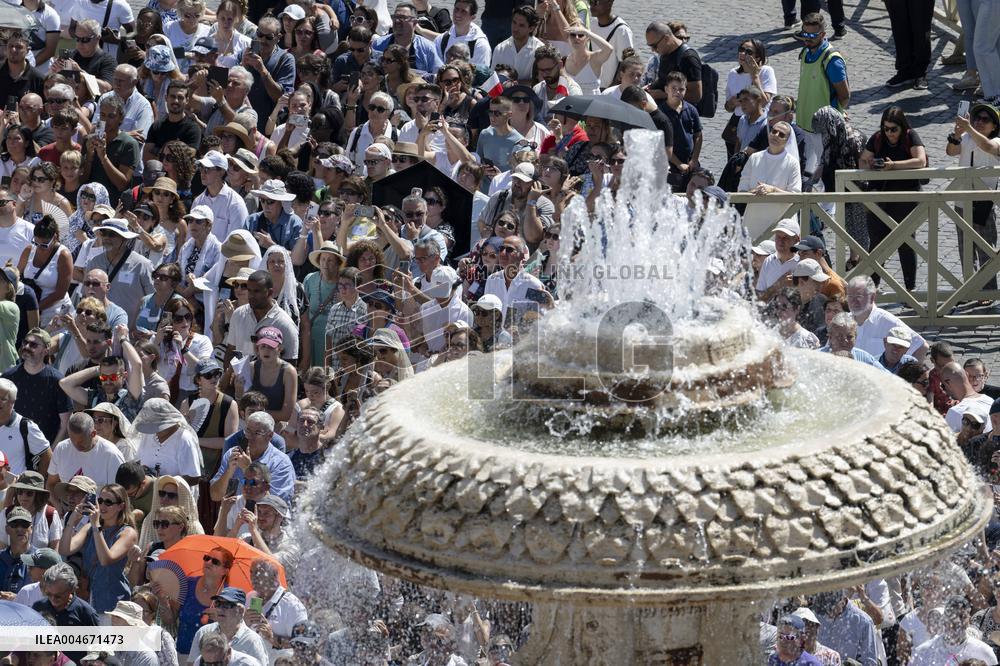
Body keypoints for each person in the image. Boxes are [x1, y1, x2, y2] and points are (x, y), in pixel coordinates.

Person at [947, 102, 1000, 298]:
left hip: (984, 203)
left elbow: (987, 146)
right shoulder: (967, 137)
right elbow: (951, 152)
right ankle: (970, 291)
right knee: (965, 251)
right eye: (977, 118)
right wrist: (956, 134)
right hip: (961, 201)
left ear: (994, 126)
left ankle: (988, 293)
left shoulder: (998, 142)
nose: (979, 122)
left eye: (985, 120)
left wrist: (968, 127)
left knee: (986, 250)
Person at [58, 483, 137, 613]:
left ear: (121, 506)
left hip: (112, 603)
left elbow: (106, 559)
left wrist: (96, 525)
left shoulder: (127, 532)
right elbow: (65, 550)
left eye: (108, 502)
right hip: (87, 598)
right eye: (100, 501)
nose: (102, 506)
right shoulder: (90, 527)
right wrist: (72, 520)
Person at [2, 328, 71, 444]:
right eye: (25, 342)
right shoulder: (8, 377)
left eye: (33, 345)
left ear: (46, 350)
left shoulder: (57, 380)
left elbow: (65, 423)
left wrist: (52, 454)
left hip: (44, 449)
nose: (27, 347)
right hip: (11, 445)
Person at [210, 411, 295, 504]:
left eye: (257, 433)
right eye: (248, 431)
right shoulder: (233, 453)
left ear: (270, 436)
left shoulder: (281, 463)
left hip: (262, 517)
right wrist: (229, 471)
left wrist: (248, 469)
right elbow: (215, 495)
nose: (249, 437)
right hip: (234, 515)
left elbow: (275, 505)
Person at [738, 121, 802, 240]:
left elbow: (795, 196)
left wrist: (772, 189)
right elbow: (742, 188)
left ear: (787, 140)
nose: (776, 135)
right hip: (754, 221)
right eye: (774, 131)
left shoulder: (792, 163)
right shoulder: (754, 158)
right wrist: (755, 191)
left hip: (779, 223)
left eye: (781, 134)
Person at [224, 270, 299, 363]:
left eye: (256, 291)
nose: (251, 295)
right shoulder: (238, 314)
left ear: (270, 292)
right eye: (249, 290)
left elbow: (291, 364)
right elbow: (230, 351)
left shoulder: (285, 324)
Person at [846, 276, 928, 360]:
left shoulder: (887, 321)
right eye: (850, 296)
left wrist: (908, 372)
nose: (853, 302)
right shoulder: (843, 322)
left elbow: (921, 347)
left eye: (859, 296)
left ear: (872, 297)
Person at [794, 12, 849, 135]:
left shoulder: (832, 60)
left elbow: (844, 96)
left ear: (823, 34)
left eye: (812, 35)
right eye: (805, 34)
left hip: (823, 130)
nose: (807, 38)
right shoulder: (805, 52)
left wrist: (838, 112)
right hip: (803, 124)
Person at [188, 587, 270, 666]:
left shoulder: (253, 641)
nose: (220, 609)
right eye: (218, 604)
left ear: (240, 610)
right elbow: (192, 663)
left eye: (226, 605)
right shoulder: (203, 632)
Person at [244, 16, 297, 135]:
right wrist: (242, 66)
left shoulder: (286, 59)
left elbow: (280, 97)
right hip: (245, 121)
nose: (263, 40)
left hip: (268, 125)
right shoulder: (248, 52)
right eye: (260, 34)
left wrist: (263, 71)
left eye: (269, 37)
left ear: (278, 38)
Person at [132, 398, 202, 486]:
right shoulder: (148, 434)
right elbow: (138, 461)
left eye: (158, 426)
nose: (155, 430)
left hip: (176, 497)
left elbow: (194, 478)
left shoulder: (184, 439)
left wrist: (163, 482)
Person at [47, 411, 125, 489]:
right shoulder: (61, 449)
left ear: (93, 434)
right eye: (72, 440)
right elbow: (51, 484)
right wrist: (57, 501)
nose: (76, 445)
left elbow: (119, 494)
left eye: (81, 441)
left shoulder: (112, 455)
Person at [911, 595, 997, 664]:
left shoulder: (984, 652)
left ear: (969, 620)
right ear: (944, 619)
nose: (957, 622)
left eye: (962, 617)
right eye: (952, 616)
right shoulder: (923, 652)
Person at [192, 150, 250, 243]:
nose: (202, 172)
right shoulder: (197, 202)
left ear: (221, 172)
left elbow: (235, 243)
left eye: (207, 169)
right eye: (201, 167)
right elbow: (190, 239)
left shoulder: (236, 203)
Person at [0, 378, 51, 476]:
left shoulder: (25, 427)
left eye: (3, 399)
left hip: (15, 490)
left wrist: (36, 484)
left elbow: (47, 456)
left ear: (13, 402)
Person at [645, 20, 702, 105]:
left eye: (654, 46)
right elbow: (663, 79)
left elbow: (696, 95)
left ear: (666, 39)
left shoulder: (688, 58)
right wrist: (649, 87)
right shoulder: (665, 51)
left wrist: (664, 95)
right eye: (650, 46)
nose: (653, 50)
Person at [490, 6, 544, 81]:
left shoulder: (539, 51)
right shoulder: (499, 49)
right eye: (514, 22)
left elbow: (538, 83)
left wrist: (513, 85)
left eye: (521, 25)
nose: (515, 28)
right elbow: (493, 80)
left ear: (531, 28)